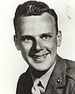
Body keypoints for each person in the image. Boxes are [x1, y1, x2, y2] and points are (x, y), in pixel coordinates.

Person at [13, 1, 75, 94]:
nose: (38, 47)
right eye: (28, 38)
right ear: (16, 42)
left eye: (45, 37)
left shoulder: (72, 83)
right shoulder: (24, 81)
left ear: (58, 39)